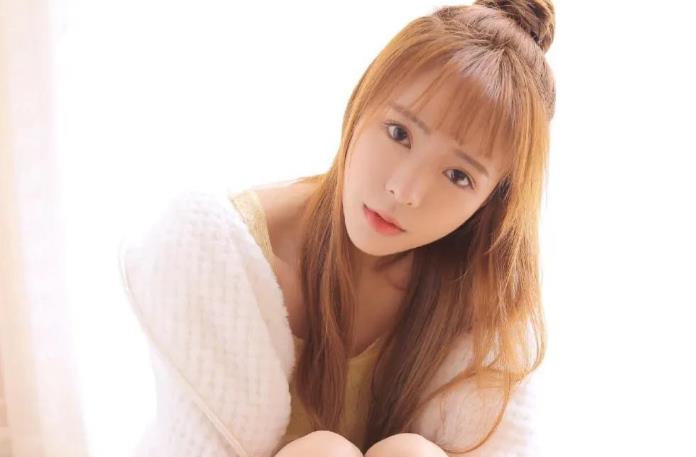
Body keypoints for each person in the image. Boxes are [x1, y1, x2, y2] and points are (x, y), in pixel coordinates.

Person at [121, 1, 556, 456]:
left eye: (457, 176)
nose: (404, 189)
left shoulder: (475, 308)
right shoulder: (222, 260)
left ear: (491, 203)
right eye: (399, 133)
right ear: (363, 102)